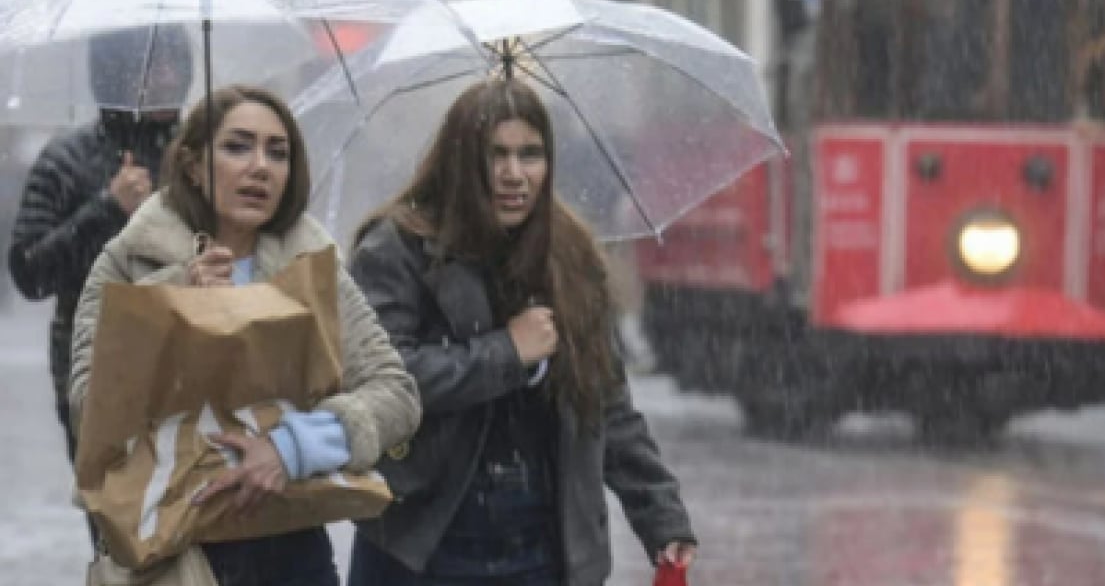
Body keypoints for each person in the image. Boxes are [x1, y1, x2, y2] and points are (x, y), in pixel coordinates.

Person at [345, 77, 697, 586]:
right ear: (462, 160)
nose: (515, 175)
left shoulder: (570, 254)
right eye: (496, 155)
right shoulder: (397, 249)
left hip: (541, 551)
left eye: (530, 155)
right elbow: (383, 381)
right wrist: (505, 353)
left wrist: (661, 517)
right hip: (425, 546)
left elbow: (607, 403)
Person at [68, 85, 421, 586]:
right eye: (237, 146)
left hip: (288, 545)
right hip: (168, 552)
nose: (261, 166)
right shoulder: (128, 260)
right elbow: (89, 407)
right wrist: (172, 304)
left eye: (278, 152)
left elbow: (395, 393)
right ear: (192, 164)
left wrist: (292, 447)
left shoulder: (312, 266)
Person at [8, 24, 193, 544]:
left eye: (175, 65)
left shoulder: (202, 154)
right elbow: (29, 271)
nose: (167, 79)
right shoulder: (65, 161)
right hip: (96, 372)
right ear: (116, 74)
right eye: (151, 67)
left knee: (195, 531)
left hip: (192, 366)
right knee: (121, 534)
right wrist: (107, 209)